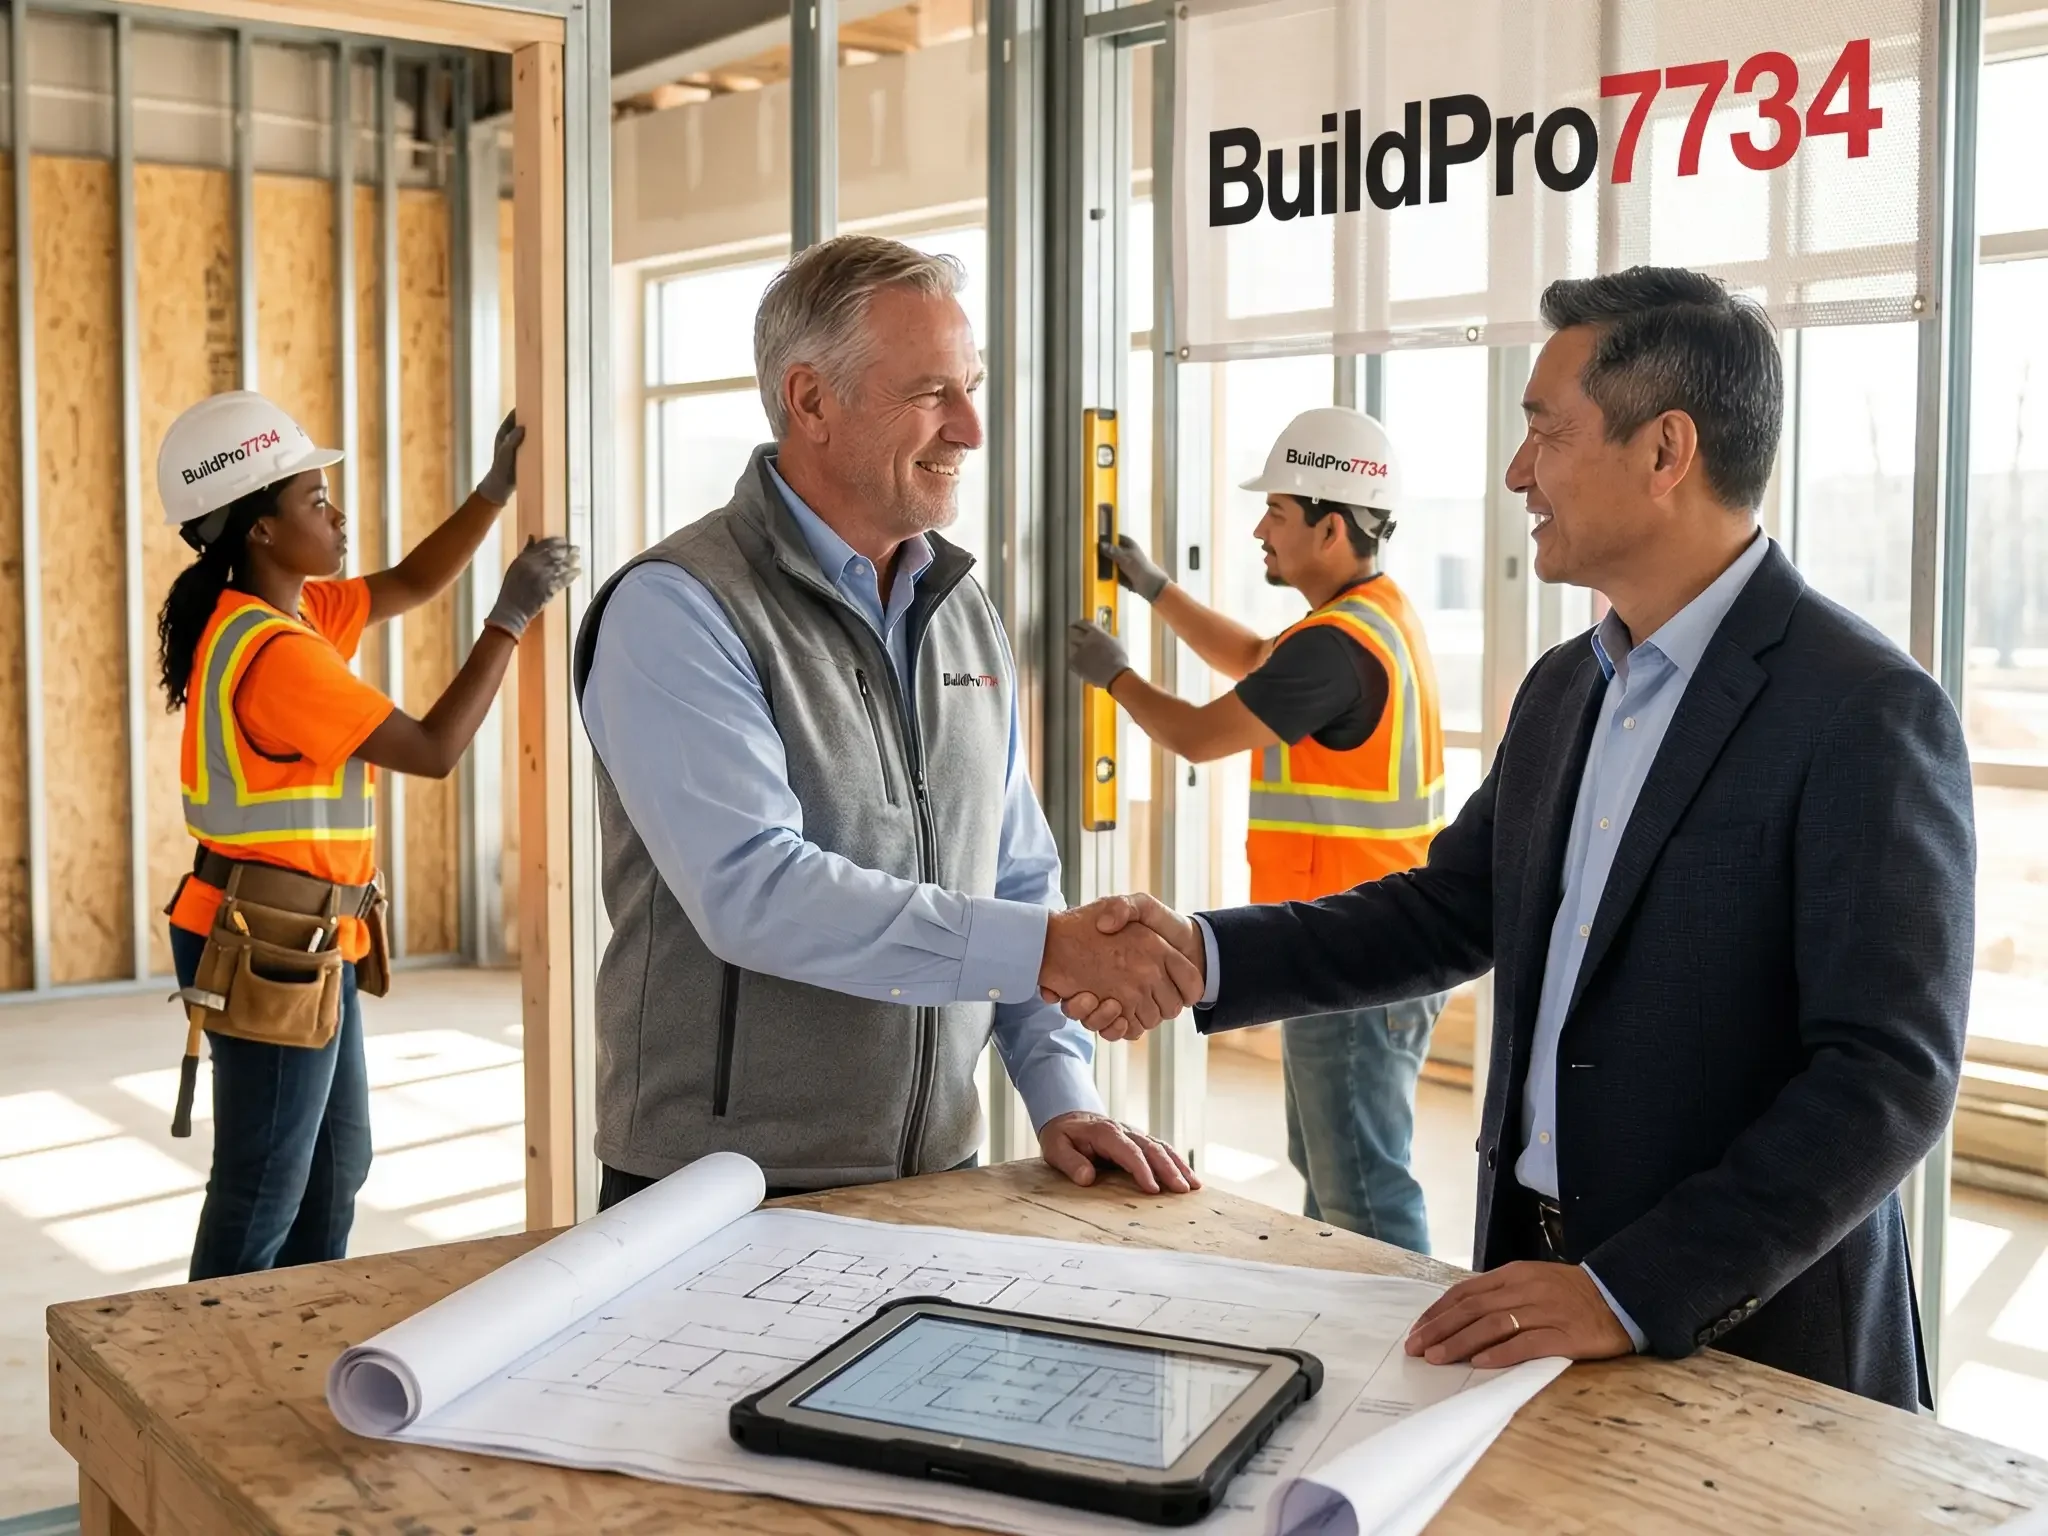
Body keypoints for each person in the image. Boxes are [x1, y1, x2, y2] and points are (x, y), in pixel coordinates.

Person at [1057, 266, 1974, 1411]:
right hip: (1531, 1284)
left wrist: (1628, 1292)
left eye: (1545, 431)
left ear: (1664, 450)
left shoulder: (1861, 707)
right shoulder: (1565, 688)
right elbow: (1449, 910)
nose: (1515, 473)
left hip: (1746, 1340)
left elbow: (1885, 1076)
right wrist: (1203, 956)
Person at [575, 235, 1202, 1211]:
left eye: (971, 388)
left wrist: (1060, 1092)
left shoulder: (959, 607)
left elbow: (1013, 872)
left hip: (939, 1173)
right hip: (717, 1193)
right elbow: (754, 891)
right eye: (931, 393)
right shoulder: (677, 607)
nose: (970, 428)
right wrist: (1047, 947)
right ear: (811, 401)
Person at [156, 390, 580, 1281]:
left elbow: (413, 582)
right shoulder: (278, 656)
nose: (337, 515)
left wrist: (495, 490)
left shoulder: (288, 611)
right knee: (265, 1186)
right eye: (315, 500)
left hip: (305, 932)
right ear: (261, 529)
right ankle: (211, 1345)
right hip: (267, 939)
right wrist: (509, 618)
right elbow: (433, 749)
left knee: (335, 1166)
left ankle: (299, 1332)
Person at [1064, 407, 1446, 1254]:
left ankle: (1402, 1328)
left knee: (1362, 1191)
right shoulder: (1366, 616)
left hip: (1359, 957)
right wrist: (1155, 588)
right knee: (1335, 1169)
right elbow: (1251, 660)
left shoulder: (1336, 647)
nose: (1259, 532)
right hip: (1365, 943)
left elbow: (1201, 735)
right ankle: (1344, 1315)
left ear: (1331, 528)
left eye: (1276, 512)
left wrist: (1116, 677)